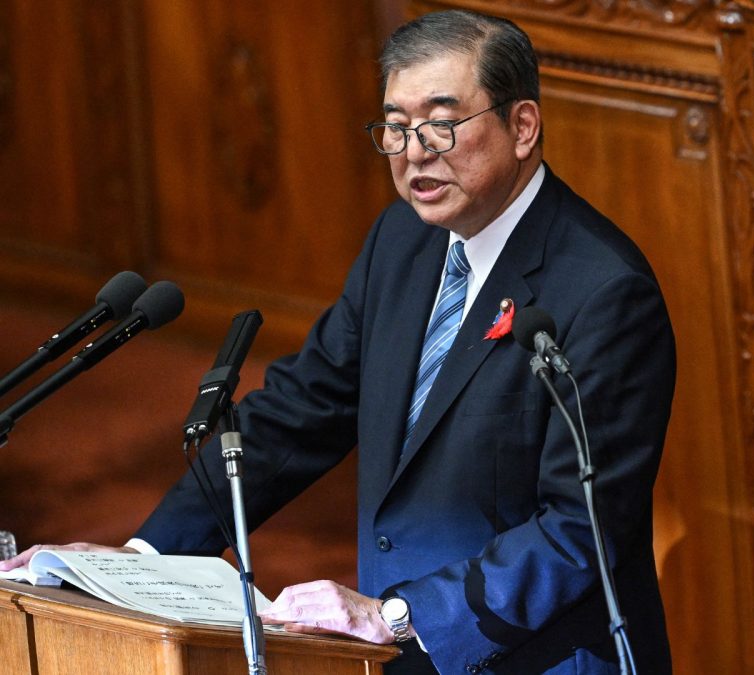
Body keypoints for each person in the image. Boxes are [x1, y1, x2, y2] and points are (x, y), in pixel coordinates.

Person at [0, 9, 675, 675]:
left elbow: (577, 531)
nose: (414, 153)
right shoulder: (402, 242)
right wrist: (145, 556)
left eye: (441, 124)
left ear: (522, 126)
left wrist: (397, 614)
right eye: (396, 127)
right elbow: (300, 410)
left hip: (533, 656)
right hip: (389, 652)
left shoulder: (605, 292)